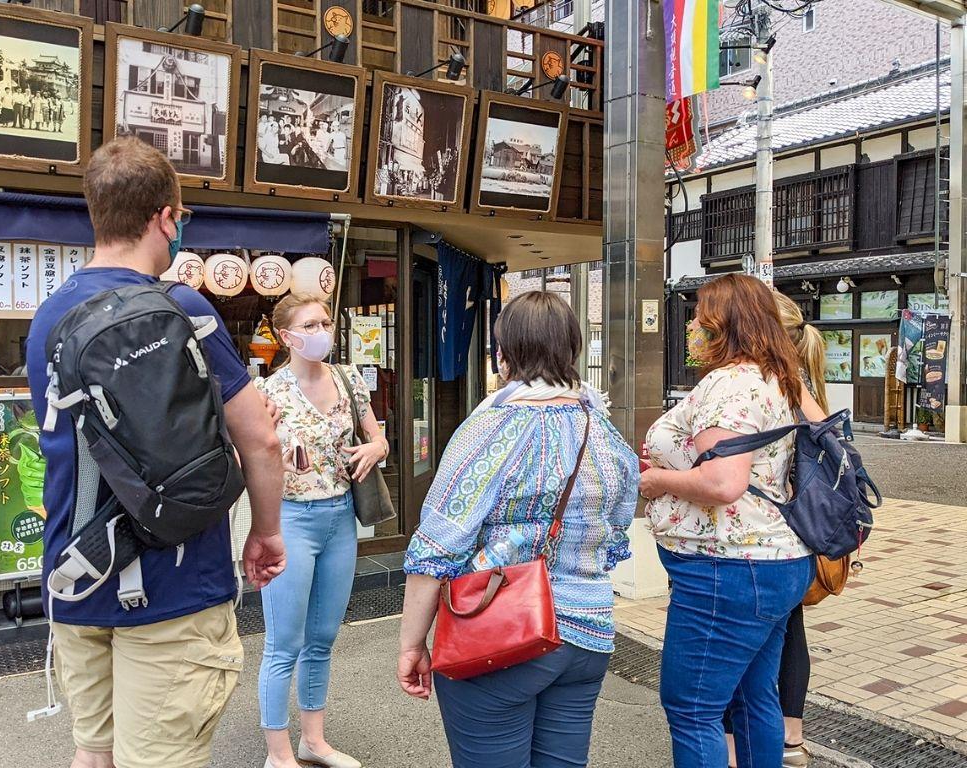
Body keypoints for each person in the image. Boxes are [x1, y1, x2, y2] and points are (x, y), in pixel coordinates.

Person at [26, 137, 287, 768]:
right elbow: (263, 437)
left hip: (78, 573)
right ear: (165, 217)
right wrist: (266, 534)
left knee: (94, 755)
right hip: (172, 587)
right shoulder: (184, 308)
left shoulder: (48, 319)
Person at [398, 291, 639, 768]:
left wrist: (411, 644)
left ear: (503, 352)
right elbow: (615, 530)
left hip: (503, 633)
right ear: (571, 348)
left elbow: (436, 547)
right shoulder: (604, 430)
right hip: (589, 637)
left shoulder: (492, 428)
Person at [639, 274, 816, 768]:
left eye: (700, 315)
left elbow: (723, 483)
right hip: (778, 561)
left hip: (727, 567)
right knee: (754, 695)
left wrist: (657, 482)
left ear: (725, 325)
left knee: (692, 707)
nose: (693, 323)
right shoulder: (780, 378)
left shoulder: (730, 384)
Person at [256, 294, 388, 768]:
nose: (323, 330)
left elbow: (377, 436)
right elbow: (246, 462)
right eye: (311, 324)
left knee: (322, 637)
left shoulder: (349, 379)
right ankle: (278, 753)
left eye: (326, 321)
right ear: (287, 337)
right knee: (283, 643)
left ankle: (314, 741)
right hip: (290, 519)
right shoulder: (267, 393)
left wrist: (377, 447)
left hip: (340, 518)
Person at [723, 292, 830, 768]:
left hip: (760, 535)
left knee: (742, 640)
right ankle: (792, 739)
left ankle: (733, 743)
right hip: (803, 534)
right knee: (789, 630)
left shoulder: (763, 385)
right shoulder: (805, 385)